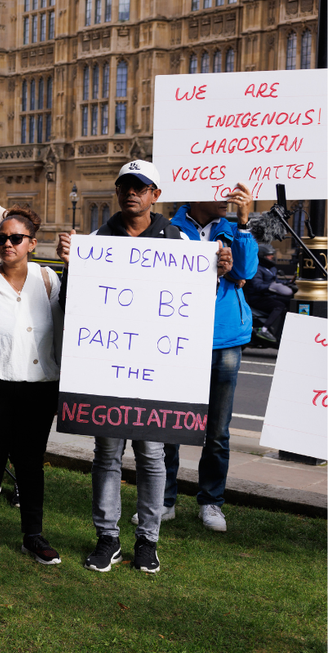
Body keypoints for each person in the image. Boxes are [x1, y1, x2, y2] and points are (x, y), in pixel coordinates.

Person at [56, 160, 233, 574]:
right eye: (125, 186)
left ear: (156, 194)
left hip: (157, 372)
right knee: (106, 454)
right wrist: (72, 265)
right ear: (118, 192)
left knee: (152, 455)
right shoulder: (97, 240)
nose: (131, 192)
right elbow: (74, 304)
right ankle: (108, 538)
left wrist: (215, 275)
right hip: (108, 366)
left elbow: (194, 309)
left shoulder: (178, 242)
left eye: (141, 186)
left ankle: (148, 540)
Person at [134, 183, 257, 534]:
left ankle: (211, 502)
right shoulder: (169, 230)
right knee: (170, 423)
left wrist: (244, 224)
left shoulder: (233, 229)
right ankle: (164, 499)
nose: (226, 197)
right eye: (217, 190)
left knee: (217, 431)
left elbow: (246, 274)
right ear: (194, 192)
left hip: (224, 338)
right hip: (178, 336)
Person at [0, 207, 63, 566]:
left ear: (32, 244)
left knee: (30, 464)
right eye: (1, 238)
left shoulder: (48, 279)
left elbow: (62, 329)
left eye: (15, 238)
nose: (7, 244)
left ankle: (33, 535)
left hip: (39, 387)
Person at [245, 243, 292, 343]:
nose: (272, 257)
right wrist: (270, 287)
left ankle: (281, 331)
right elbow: (257, 285)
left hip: (268, 295)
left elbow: (276, 282)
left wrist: (288, 284)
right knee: (279, 306)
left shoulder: (271, 268)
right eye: (269, 255)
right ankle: (264, 329)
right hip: (257, 297)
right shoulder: (257, 269)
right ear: (263, 256)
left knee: (289, 302)